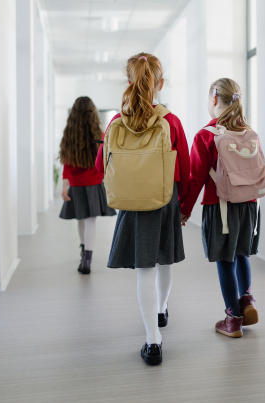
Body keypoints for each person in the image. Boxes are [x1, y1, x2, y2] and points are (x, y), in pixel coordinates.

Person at [95, 53, 190, 365]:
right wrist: (184, 205)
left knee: (144, 271)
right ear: (159, 84)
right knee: (164, 262)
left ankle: (152, 342)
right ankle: (161, 310)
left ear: (129, 82)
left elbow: (100, 167)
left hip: (134, 205)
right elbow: (185, 170)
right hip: (165, 200)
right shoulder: (171, 122)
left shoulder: (115, 123)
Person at [180, 78, 261, 338]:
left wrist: (185, 209)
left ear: (214, 99)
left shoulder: (206, 135)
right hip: (248, 206)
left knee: (225, 261)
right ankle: (246, 299)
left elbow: (195, 179)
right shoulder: (248, 131)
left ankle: (232, 319)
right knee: (241, 255)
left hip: (221, 207)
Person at [59, 96, 117, 275]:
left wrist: (64, 185)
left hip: (76, 185)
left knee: (81, 219)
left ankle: (83, 253)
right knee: (91, 221)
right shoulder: (99, 135)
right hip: (94, 184)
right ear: (93, 114)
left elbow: (67, 163)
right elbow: (105, 162)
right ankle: (87, 260)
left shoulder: (70, 135)